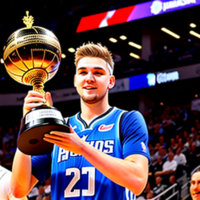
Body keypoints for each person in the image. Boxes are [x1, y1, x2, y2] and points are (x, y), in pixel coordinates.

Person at [10, 42, 150, 200]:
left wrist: (82, 147)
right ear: (75, 80)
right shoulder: (58, 128)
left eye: (98, 73)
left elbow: (138, 181)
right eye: (83, 73)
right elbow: (18, 190)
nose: (89, 78)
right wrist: (27, 126)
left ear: (111, 81)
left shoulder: (127, 120)